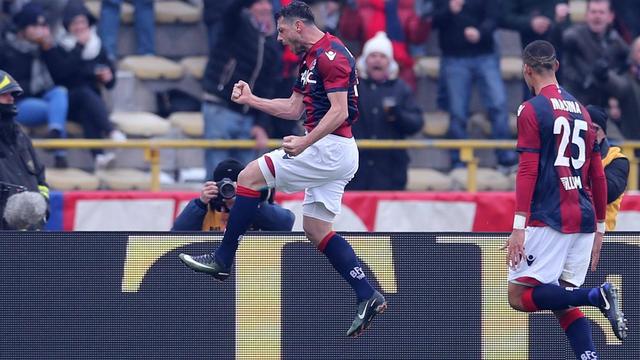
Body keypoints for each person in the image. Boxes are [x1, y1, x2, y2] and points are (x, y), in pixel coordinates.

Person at [179, 1, 387, 338]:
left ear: (299, 26)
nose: (278, 38)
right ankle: (367, 294)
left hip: (329, 147)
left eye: (281, 30)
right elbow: (293, 108)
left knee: (247, 177)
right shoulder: (310, 58)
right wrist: (252, 100)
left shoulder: (330, 55)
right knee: (316, 229)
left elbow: (338, 112)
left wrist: (305, 143)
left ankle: (223, 259)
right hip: (334, 149)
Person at [504, 40, 627, 359]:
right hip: (584, 217)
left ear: (526, 70)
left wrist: (519, 226)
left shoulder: (531, 109)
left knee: (518, 296)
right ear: (557, 66)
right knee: (561, 299)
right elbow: (598, 175)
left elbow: (528, 168)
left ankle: (596, 296)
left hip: (551, 218)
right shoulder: (583, 112)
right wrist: (600, 226)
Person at [432, 0, 518, 169]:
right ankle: (459, 161)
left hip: (485, 55)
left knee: (498, 105)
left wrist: (480, 32)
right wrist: (449, 10)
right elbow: (432, 22)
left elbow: (495, 17)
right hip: (453, 57)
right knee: (457, 113)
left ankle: (505, 158)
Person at [200, 0, 279, 178]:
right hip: (220, 107)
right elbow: (232, 9)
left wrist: (261, 124)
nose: (265, 7)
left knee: (246, 180)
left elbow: (268, 86)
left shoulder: (272, 40)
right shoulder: (235, 22)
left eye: (268, 2)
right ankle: (214, 206)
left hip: (248, 117)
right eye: (259, 2)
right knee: (217, 176)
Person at [348, 31, 423, 190]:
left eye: (382, 56)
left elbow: (416, 123)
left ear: (389, 62)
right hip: (356, 171)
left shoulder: (401, 88)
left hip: (390, 171)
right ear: (364, 60)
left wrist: (398, 115)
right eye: (373, 55)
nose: (377, 60)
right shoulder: (352, 88)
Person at [0, 2, 70, 168]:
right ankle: (60, 152)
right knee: (56, 111)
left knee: (60, 92)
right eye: (35, 25)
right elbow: (13, 84)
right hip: (18, 102)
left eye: (44, 25)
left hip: (46, 98)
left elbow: (64, 76)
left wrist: (49, 50)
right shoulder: (8, 49)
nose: (41, 30)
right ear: (23, 28)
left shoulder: (47, 48)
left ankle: (55, 133)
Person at [58, 0, 125, 170]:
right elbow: (64, 75)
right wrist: (80, 46)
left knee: (88, 108)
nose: (80, 27)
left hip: (91, 102)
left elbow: (110, 80)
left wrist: (107, 77)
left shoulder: (97, 45)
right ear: (67, 25)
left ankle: (99, 157)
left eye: (82, 22)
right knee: (84, 93)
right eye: (75, 23)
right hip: (67, 100)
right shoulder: (62, 46)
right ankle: (111, 131)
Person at [172, 158, 295, 231]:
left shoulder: (256, 206)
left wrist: (247, 200)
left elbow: (285, 223)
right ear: (215, 185)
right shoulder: (205, 207)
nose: (228, 191)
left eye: (233, 186)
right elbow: (176, 233)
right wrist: (199, 204)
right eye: (224, 187)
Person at [0, 70, 49, 230]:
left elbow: (40, 178)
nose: (11, 99)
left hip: (33, 233)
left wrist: (42, 206)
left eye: (12, 94)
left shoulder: (20, 135)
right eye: (5, 94)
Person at [562, 0, 628, 108]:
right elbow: (562, 40)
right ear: (586, 15)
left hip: (605, 106)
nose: (597, 16)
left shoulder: (616, 42)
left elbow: (629, 60)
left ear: (610, 16)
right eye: (593, 12)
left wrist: (607, 76)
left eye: (601, 12)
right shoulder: (574, 36)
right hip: (576, 102)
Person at [500, 0, 571, 100]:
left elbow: (567, 20)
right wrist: (530, 22)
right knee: (531, 99)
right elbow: (505, 17)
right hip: (531, 54)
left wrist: (557, 21)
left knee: (560, 99)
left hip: (557, 52)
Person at [586, 105, 629, 231]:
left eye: (594, 128)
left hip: (603, 235)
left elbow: (606, 193)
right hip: (571, 232)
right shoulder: (569, 155)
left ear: (604, 133)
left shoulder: (618, 160)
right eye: (585, 127)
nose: (589, 133)